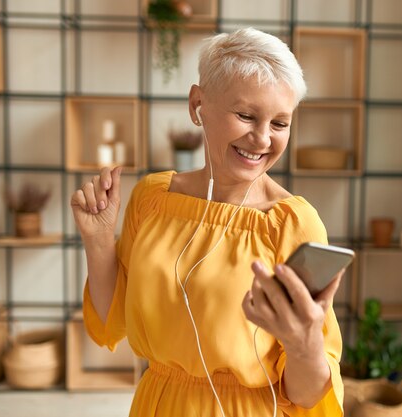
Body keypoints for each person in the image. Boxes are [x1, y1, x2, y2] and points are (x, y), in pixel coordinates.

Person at [70, 27, 345, 417]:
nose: (262, 139)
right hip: (157, 405)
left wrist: (303, 344)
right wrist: (98, 242)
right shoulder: (153, 198)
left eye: (280, 123)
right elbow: (113, 321)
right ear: (198, 104)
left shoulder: (292, 224)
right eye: (246, 115)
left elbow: (306, 397)